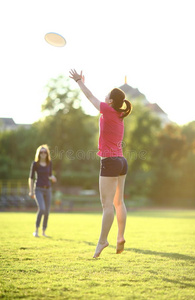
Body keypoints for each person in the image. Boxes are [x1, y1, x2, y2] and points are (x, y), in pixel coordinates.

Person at [69, 69, 132, 258]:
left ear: (111, 101)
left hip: (110, 162)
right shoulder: (119, 115)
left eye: (107, 96)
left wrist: (79, 81)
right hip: (121, 162)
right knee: (118, 202)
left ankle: (103, 240)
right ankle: (120, 236)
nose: (104, 98)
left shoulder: (107, 109)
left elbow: (89, 96)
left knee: (107, 205)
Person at [28, 144, 57, 237]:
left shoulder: (50, 163)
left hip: (48, 189)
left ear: (47, 153)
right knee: (42, 208)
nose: (43, 153)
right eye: (41, 152)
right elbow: (31, 178)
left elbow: (49, 175)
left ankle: (43, 231)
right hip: (38, 189)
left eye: (45, 152)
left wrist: (52, 177)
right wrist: (31, 191)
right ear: (39, 153)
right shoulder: (35, 164)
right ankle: (36, 230)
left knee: (47, 211)